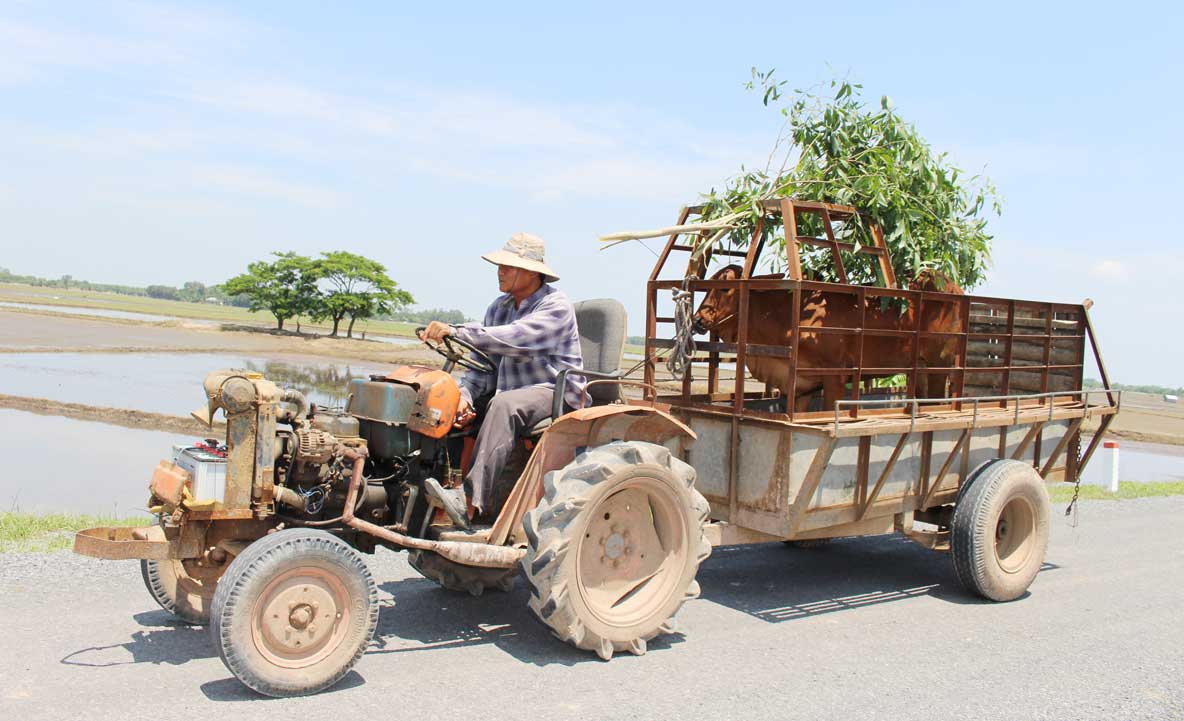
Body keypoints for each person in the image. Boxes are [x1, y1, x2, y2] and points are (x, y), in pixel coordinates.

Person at [421, 232, 586, 526]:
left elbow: (515, 338)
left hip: (555, 390)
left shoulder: (555, 306)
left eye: (509, 266)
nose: (500, 271)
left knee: (503, 405)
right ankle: (430, 489)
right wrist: (465, 397)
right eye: (500, 265)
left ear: (533, 272)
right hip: (512, 391)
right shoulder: (499, 307)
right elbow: (484, 364)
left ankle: (470, 502)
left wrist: (458, 331)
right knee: (442, 400)